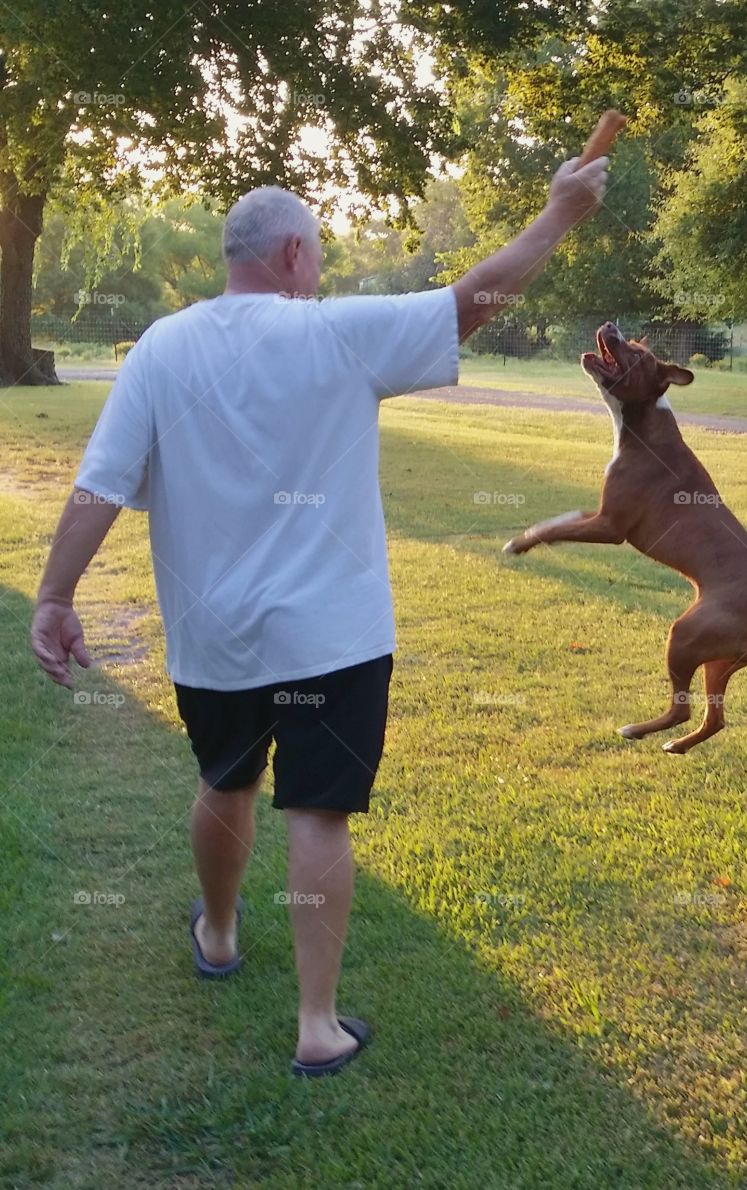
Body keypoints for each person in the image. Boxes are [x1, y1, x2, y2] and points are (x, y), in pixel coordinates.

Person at [30, 154, 608, 1076]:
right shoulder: (337, 333)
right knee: (318, 813)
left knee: (225, 782)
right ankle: (316, 1026)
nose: (323, 271)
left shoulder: (160, 348)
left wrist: (57, 596)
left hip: (214, 636)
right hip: (333, 638)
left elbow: (100, 484)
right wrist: (560, 214)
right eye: (320, 255)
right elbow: (474, 302)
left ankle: (219, 933)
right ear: (294, 254)